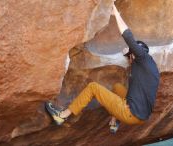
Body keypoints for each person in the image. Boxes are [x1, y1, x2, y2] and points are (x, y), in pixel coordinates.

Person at [45, 4, 160, 133]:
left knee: (93, 87)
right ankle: (114, 121)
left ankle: (62, 116)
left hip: (130, 113)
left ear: (135, 52)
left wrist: (115, 11)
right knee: (117, 87)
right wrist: (128, 54)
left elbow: (127, 35)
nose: (128, 59)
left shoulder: (142, 57)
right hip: (142, 117)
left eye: (130, 55)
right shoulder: (151, 67)